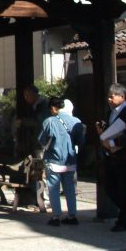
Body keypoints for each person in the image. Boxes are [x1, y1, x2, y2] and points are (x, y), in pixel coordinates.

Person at [97, 83, 126, 232]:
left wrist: (111, 142)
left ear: (122, 97)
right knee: (110, 187)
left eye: (112, 96)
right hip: (113, 156)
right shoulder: (110, 112)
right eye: (108, 96)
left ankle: (123, 220)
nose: (109, 99)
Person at [38, 97, 83, 226]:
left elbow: (42, 140)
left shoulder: (50, 121)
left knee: (53, 188)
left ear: (53, 108)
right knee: (69, 188)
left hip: (53, 159)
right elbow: (81, 141)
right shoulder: (76, 121)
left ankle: (56, 216)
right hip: (70, 160)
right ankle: (72, 215)